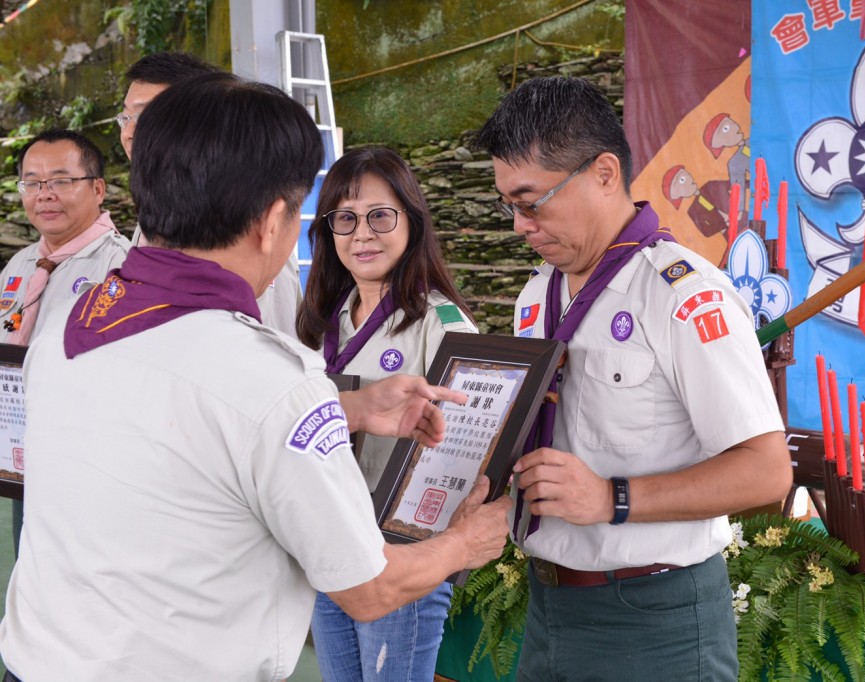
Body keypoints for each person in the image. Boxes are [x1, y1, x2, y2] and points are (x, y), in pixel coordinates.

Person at [0, 72, 511, 681]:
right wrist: (466, 543)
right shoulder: (268, 378)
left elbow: (189, 423)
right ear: (273, 222)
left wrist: (348, 408)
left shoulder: (65, 326)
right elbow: (369, 589)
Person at [475, 76, 792, 680]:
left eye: (531, 201)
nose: (519, 224)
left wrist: (612, 498)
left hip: (656, 620)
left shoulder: (683, 293)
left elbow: (766, 470)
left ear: (603, 173)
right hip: (547, 608)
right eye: (508, 205)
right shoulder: (535, 295)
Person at [296, 147, 477, 681]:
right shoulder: (320, 320)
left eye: (380, 215)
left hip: (399, 555)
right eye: (345, 219)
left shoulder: (439, 321)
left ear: (412, 221)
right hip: (328, 541)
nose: (362, 234)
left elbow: (464, 442)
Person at [0, 129, 130, 556]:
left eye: (60, 180)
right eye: (32, 183)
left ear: (97, 188)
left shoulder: (121, 265)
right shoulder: (20, 264)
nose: (45, 194)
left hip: (87, 461)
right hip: (23, 451)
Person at [118, 50, 303, 336]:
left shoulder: (253, 224)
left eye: (146, 116)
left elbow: (277, 340)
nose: (129, 132)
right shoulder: (156, 215)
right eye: (125, 117)